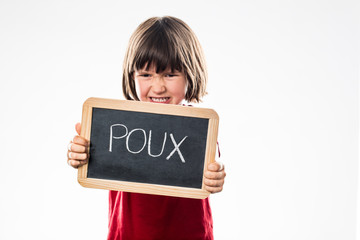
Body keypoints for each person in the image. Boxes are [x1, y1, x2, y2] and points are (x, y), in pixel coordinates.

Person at [67, 16, 226, 240]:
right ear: (132, 75)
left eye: (170, 75)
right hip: (128, 234)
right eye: (146, 75)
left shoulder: (196, 126)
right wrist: (79, 154)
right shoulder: (119, 125)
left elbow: (213, 160)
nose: (158, 87)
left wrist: (215, 173)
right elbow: (93, 158)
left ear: (190, 73)